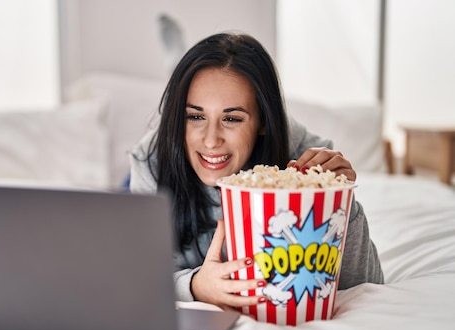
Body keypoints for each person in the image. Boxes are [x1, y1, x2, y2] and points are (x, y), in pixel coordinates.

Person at [129, 32, 384, 311]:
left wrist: (341, 205)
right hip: (172, 162)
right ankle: (175, 63)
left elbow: (367, 284)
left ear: (262, 121)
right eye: (195, 116)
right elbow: (142, 277)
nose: (211, 139)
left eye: (232, 118)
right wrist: (195, 285)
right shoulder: (149, 160)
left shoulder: (305, 160)